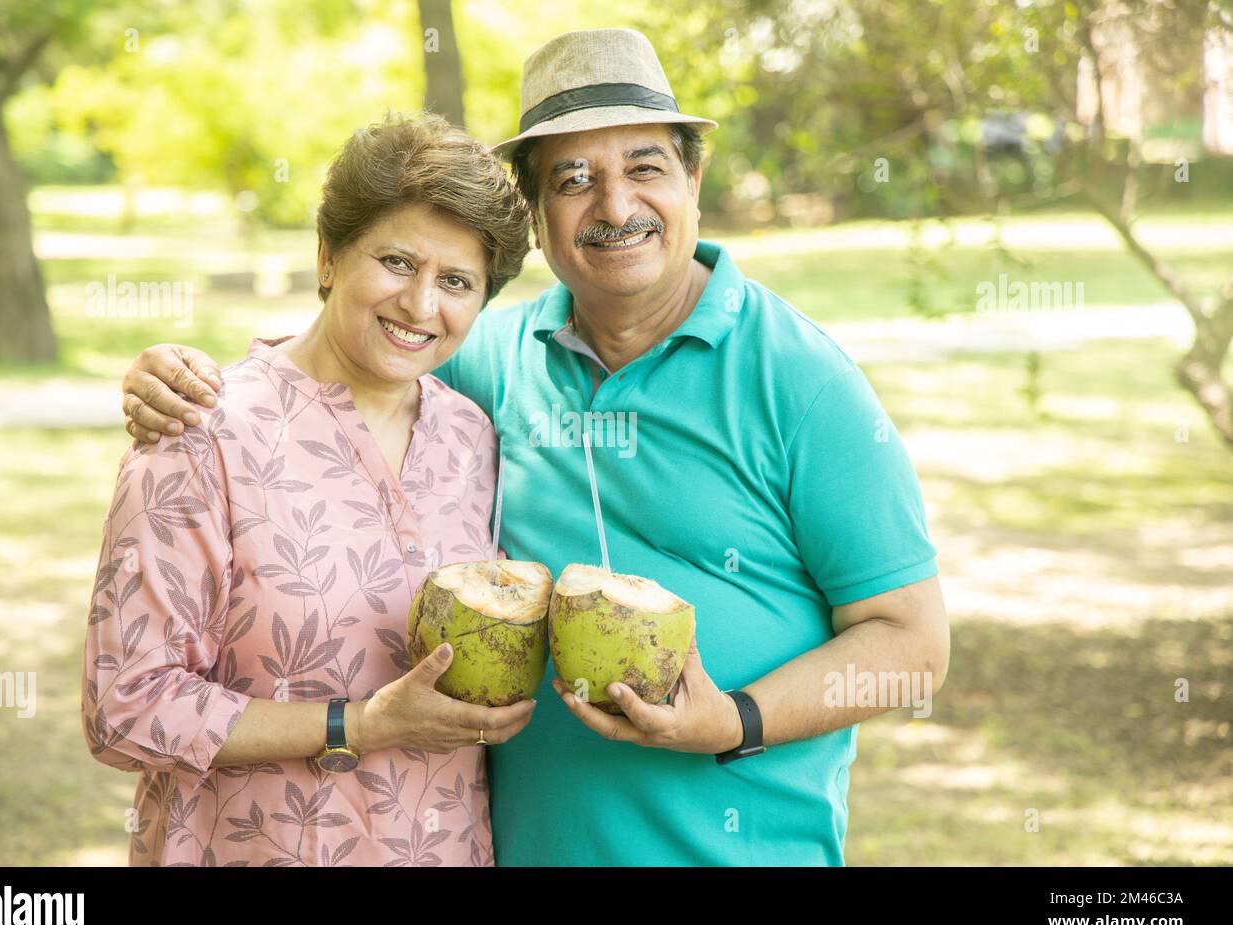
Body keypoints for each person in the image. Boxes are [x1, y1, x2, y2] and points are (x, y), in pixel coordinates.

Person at [119, 28, 950, 866]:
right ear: (538, 213)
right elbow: (364, 352)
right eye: (574, 179)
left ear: (695, 179)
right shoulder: (488, 361)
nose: (615, 207)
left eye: (645, 167)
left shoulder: (802, 382)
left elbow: (911, 646)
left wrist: (735, 719)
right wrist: (186, 379)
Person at [82, 113, 536, 866]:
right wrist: (359, 725)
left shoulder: (471, 437)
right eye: (396, 261)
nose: (422, 306)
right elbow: (125, 708)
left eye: (456, 281)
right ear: (328, 256)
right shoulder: (202, 430)